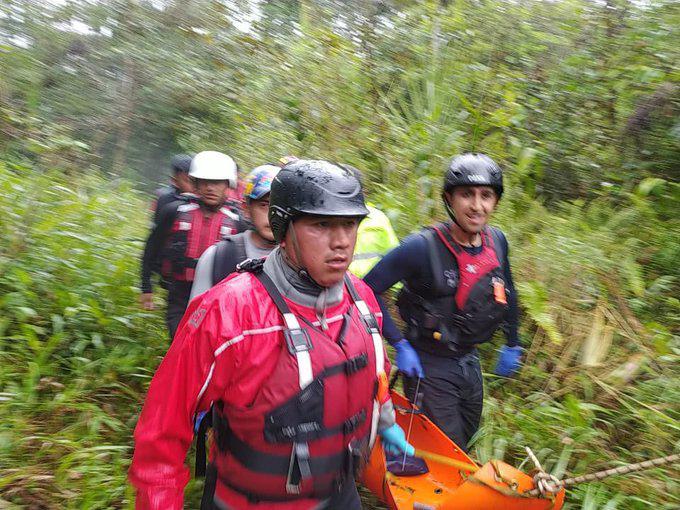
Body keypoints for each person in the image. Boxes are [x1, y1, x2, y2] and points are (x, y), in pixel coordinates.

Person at [129, 159, 413, 510]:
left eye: (350, 224)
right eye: (321, 225)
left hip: (339, 494)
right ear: (283, 226)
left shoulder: (362, 300)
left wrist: (385, 419)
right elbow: (163, 430)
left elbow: (374, 374)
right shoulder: (229, 311)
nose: (341, 242)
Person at [364, 153, 522, 452]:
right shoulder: (421, 248)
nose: (477, 206)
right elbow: (366, 290)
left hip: (469, 361)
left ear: (496, 202)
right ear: (449, 198)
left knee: (467, 439)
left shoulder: (497, 241)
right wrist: (399, 344)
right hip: (429, 366)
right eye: (467, 195)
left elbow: (508, 289)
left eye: (486, 195)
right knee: (447, 450)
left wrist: (512, 341)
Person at [140, 151, 242, 338]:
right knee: (179, 340)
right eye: (205, 182)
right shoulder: (174, 212)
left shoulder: (237, 223)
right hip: (179, 292)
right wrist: (146, 286)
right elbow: (152, 248)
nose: (210, 188)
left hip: (217, 297)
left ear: (228, 185)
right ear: (195, 184)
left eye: (217, 182)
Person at [189, 163, 280, 300]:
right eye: (264, 205)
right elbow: (198, 315)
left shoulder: (302, 260)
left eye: (281, 207)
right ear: (246, 209)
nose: (273, 215)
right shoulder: (219, 256)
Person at [349, 204, 399, 278]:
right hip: (340, 280)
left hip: (372, 282)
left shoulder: (378, 218)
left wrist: (394, 286)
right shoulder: (333, 215)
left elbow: (394, 253)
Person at [151, 154, 195, 226]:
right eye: (188, 181)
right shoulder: (165, 200)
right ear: (175, 181)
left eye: (197, 181)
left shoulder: (206, 202)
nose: (195, 186)